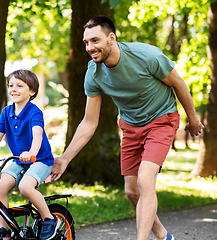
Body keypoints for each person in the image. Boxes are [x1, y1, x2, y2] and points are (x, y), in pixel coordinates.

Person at [49, 16, 204, 240]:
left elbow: (178, 83)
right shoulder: (93, 73)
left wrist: (193, 119)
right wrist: (65, 158)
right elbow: (90, 122)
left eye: (95, 40)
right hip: (131, 126)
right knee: (132, 191)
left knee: (145, 180)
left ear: (111, 38)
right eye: (86, 42)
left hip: (162, 118)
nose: (90, 48)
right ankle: (162, 235)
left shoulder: (146, 56)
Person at [0, 69, 60, 240]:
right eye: (11, 85)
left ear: (32, 91)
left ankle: (49, 218)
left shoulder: (34, 112)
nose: (13, 89)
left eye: (20, 85)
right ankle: (4, 230)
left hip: (40, 159)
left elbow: (37, 135)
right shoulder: (6, 112)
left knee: (25, 187)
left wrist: (32, 153)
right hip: (20, 159)